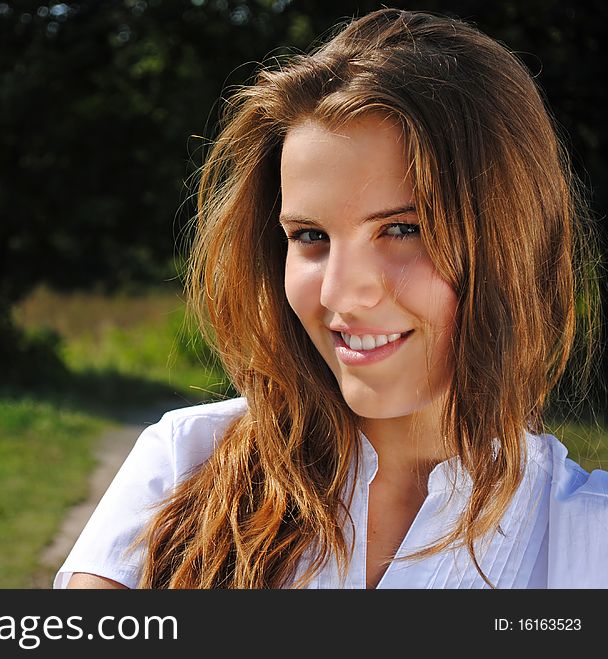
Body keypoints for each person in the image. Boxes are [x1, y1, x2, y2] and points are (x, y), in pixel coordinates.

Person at [55, 7, 607, 589]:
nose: (341, 292)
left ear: (512, 239)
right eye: (310, 237)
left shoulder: (586, 540)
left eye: (402, 229)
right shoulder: (182, 465)